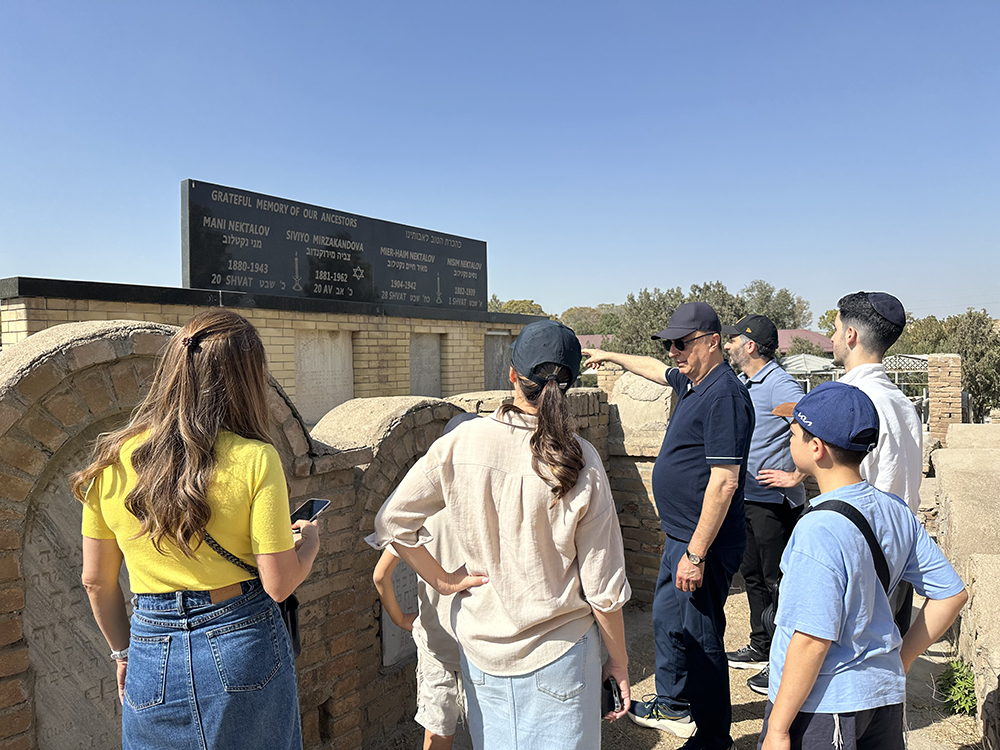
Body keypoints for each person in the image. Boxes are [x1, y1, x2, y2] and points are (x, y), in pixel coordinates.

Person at [374, 319, 631, 750]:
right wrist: (619, 660)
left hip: (482, 652)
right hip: (561, 651)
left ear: (512, 374)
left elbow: (391, 523)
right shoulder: (580, 458)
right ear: (569, 384)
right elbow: (603, 588)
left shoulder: (460, 442)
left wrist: (443, 581)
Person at [74, 309, 320, 750]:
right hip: (243, 638)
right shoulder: (254, 458)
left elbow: (96, 581)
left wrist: (123, 653)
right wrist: (310, 546)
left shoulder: (110, 462)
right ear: (247, 379)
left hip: (151, 645)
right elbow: (279, 583)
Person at [758, 381, 967, 750]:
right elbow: (950, 594)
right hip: (882, 698)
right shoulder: (895, 510)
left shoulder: (817, 529)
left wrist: (777, 728)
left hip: (825, 705)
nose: (789, 441)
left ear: (816, 448)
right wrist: (900, 659)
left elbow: (811, 640)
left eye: (793, 433)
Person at [584, 301, 753, 750]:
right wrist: (613, 357)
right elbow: (655, 369)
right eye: (671, 343)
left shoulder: (724, 395)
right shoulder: (694, 381)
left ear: (712, 342)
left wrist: (696, 555)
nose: (674, 351)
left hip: (704, 544)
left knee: (701, 638)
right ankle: (676, 705)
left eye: (683, 343)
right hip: (679, 537)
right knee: (666, 618)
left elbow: (724, 481)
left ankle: (714, 737)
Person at [370, 413, 480, 750]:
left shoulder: (421, 515)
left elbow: (380, 576)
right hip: (481, 645)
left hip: (436, 642)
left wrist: (401, 618)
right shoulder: (490, 510)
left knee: (437, 733)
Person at [721, 314, 807, 696]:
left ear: (751, 345)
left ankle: (783, 663)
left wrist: (797, 476)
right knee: (753, 575)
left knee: (778, 583)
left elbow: (814, 426)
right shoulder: (744, 382)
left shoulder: (779, 384)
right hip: (748, 498)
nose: (727, 345)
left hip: (774, 503)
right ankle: (761, 644)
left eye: (733, 339)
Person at [832, 291, 922, 635]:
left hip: (863, 554)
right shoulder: (902, 403)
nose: (833, 338)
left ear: (851, 336)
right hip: (899, 548)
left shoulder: (851, 400)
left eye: (836, 329)